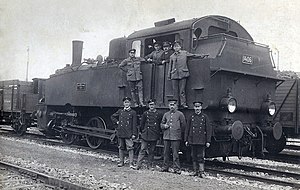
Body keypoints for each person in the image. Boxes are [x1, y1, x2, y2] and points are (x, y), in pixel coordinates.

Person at [168, 41, 208, 108]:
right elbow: (170, 66)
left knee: (182, 90)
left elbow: (193, 55)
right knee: (175, 91)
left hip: (183, 74)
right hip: (174, 74)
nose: (176, 48)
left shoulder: (184, 53)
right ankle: (176, 104)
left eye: (177, 46)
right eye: (175, 46)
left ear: (180, 47)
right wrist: (169, 75)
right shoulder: (172, 56)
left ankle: (183, 103)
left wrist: (202, 55)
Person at [184, 101, 212, 177]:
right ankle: (195, 171)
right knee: (193, 156)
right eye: (196, 107)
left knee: (201, 156)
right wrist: (186, 140)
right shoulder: (191, 117)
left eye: (198, 107)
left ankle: (201, 172)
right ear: (194, 108)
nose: (197, 108)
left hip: (201, 140)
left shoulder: (205, 117)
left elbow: (208, 129)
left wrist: (208, 141)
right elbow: (187, 129)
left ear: (201, 107)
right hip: (192, 140)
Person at [160, 99, 186, 174]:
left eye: (173, 105)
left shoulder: (180, 114)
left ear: (176, 106)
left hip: (175, 137)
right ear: (168, 106)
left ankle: (176, 168)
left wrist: (178, 132)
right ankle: (165, 167)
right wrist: (164, 126)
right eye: (170, 105)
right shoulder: (166, 114)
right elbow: (161, 124)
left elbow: (183, 125)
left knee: (175, 154)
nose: (172, 106)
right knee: (165, 153)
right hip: (167, 136)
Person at [135, 99, 163, 170]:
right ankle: (138, 165)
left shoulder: (159, 114)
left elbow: (160, 124)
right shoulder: (145, 113)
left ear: (155, 105)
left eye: (153, 104)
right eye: (150, 105)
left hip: (154, 134)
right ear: (148, 105)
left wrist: (158, 133)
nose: (151, 106)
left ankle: (149, 166)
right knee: (142, 149)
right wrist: (143, 131)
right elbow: (142, 124)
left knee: (152, 151)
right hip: (146, 134)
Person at [111, 97, 138, 169]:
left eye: (128, 102)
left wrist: (134, 134)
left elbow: (134, 124)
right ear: (123, 103)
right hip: (121, 132)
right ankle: (121, 162)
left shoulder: (133, 112)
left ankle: (131, 163)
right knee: (121, 147)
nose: (126, 104)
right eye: (125, 102)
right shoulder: (120, 111)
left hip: (128, 133)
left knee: (130, 148)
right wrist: (117, 122)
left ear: (130, 103)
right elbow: (113, 117)